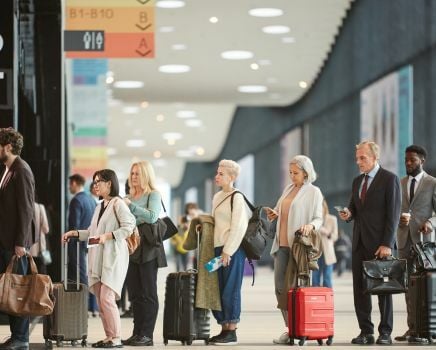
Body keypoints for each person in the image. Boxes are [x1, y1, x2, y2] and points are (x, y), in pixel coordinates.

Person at [63, 169, 136, 348]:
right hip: (98, 258)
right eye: (94, 182)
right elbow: (92, 232)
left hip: (113, 257)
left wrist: (108, 236)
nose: (95, 185)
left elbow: (129, 226)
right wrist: (75, 233)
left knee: (107, 298)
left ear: (109, 183)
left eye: (98, 182)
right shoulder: (99, 206)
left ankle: (116, 338)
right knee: (100, 299)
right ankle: (109, 336)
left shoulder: (118, 203)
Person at [339, 140, 401, 346]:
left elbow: (393, 215)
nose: (359, 162)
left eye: (362, 158)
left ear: (375, 157)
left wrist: (387, 243)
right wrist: (347, 214)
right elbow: (354, 209)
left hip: (379, 245)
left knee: (383, 290)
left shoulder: (389, 179)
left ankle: (385, 332)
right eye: (357, 158)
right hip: (359, 243)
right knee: (360, 290)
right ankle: (366, 331)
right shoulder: (357, 181)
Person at [265, 155, 323, 345]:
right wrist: (275, 213)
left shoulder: (314, 192)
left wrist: (310, 226)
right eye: (290, 172)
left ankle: (302, 329)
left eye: (295, 173)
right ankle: (291, 329)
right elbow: (281, 209)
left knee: (299, 289)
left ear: (306, 172)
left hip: (299, 247)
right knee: (280, 289)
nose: (292, 176)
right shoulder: (288, 189)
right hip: (282, 245)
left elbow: (318, 218)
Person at [122, 161, 167, 347]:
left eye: (137, 173)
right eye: (132, 173)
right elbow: (126, 221)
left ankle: (147, 334)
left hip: (148, 249)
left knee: (148, 293)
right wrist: (135, 214)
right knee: (135, 294)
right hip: (132, 248)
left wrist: (132, 208)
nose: (133, 177)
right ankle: (137, 333)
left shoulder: (153, 194)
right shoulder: (128, 196)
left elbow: (152, 216)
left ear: (146, 175)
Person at [394, 145, 436, 343]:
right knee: (409, 287)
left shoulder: (432, 183)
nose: (408, 164)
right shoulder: (400, 183)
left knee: (428, 287)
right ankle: (413, 328)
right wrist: (398, 221)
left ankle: (429, 328)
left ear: (422, 161)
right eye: (406, 160)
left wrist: (429, 222)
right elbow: (395, 210)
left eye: (412, 160)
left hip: (424, 243)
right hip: (404, 240)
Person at [206, 159, 249, 345]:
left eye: (221, 174)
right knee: (220, 289)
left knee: (230, 290)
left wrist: (228, 251)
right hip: (218, 249)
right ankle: (224, 329)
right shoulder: (217, 197)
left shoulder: (236, 197)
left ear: (232, 177)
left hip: (232, 250)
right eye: (217, 173)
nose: (217, 176)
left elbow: (239, 226)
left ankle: (232, 331)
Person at [0, 127, 35, 350]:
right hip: (7, 242)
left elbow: (26, 209)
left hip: (16, 244)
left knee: (19, 291)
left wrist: (20, 242)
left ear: (8, 147)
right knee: (10, 290)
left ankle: (21, 338)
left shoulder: (21, 170)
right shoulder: (8, 169)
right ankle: (16, 335)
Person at [68, 174, 98, 317]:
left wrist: (70, 243)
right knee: (90, 274)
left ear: (74, 183)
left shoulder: (76, 200)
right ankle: (92, 307)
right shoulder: (91, 200)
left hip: (78, 243)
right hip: (90, 243)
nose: (69, 187)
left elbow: (74, 226)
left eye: (70, 184)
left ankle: (82, 307)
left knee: (79, 275)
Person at [312, 200, 338, 288]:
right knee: (315, 278)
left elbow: (335, 236)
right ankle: (316, 299)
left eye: (320, 208)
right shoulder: (313, 221)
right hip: (316, 252)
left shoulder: (332, 219)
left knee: (327, 278)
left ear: (324, 207)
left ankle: (328, 299)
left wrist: (327, 232)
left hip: (328, 253)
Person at [172, 202, 200, 271]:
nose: (190, 210)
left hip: (191, 245)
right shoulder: (183, 218)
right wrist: (183, 227)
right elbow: (178, 232)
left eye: (192, 208)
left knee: (188, 264)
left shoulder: (198, 218)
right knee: (178, 265)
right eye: (189, 209)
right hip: (180, 244)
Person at [29, 201, 50, 274]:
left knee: (29, 271)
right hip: (39, 247)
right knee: (41, 271)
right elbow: (46, 229)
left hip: (28, 247)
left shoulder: (25, 206)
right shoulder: (40, 207)